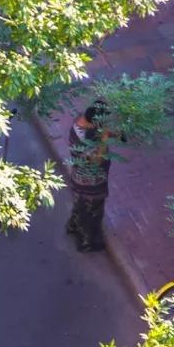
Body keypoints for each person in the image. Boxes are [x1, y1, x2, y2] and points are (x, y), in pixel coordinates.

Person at [65, 99, 113, 253]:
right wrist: (104, 140)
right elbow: (96, 161)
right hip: (89, 182)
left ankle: (73, 225)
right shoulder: (83, 139)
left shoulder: (83, 120)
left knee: (80, 205)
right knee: (92, 211)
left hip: (83, 178)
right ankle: (87, 241)